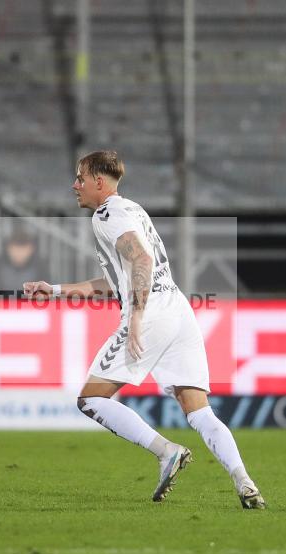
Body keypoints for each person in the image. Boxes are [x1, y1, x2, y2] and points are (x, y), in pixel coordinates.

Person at [24, 150, 265, 508]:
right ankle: (244, 481)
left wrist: (135, 316)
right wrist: (57, 290)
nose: (75, 185)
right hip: (177, 309)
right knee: (198, 410)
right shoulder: (132, 209)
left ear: (99, 182)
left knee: (90, 399)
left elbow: (141, 259)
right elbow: (116, 281)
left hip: (151, 311)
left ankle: (166, 451)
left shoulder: (107, 216)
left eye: (80, 178)